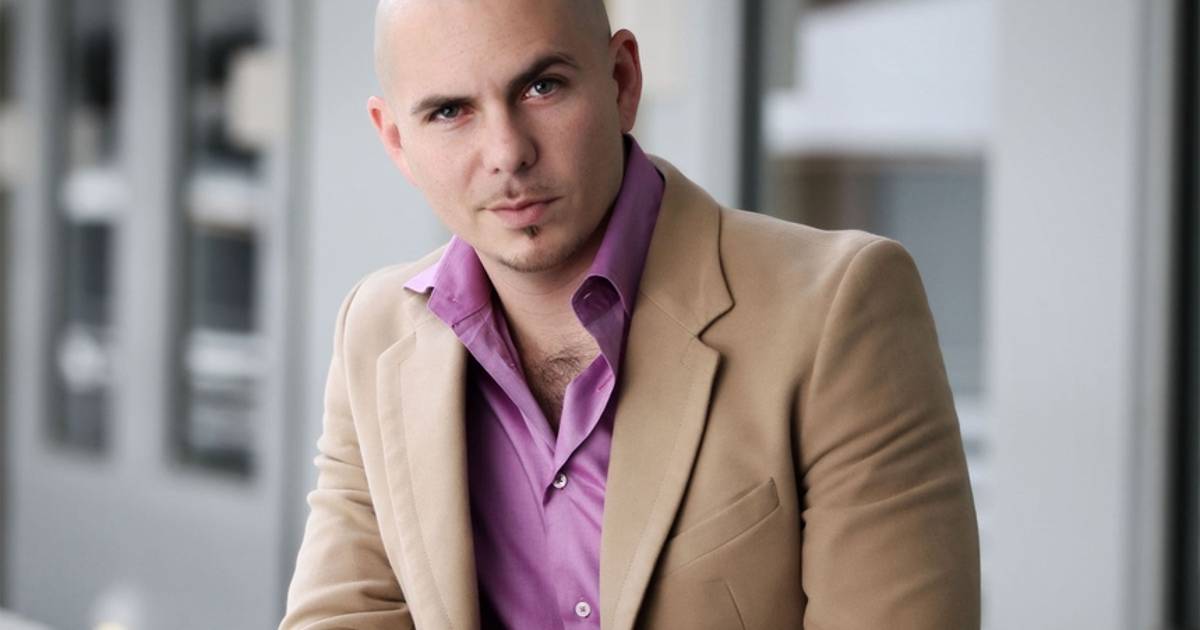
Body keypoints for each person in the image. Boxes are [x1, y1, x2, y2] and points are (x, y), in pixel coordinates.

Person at [280, 0, 981, 628]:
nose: (507, 154)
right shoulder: (374, 331)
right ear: (396, 140)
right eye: (449, 112)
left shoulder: (838, 308)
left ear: (621, 81)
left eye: (541, 87)